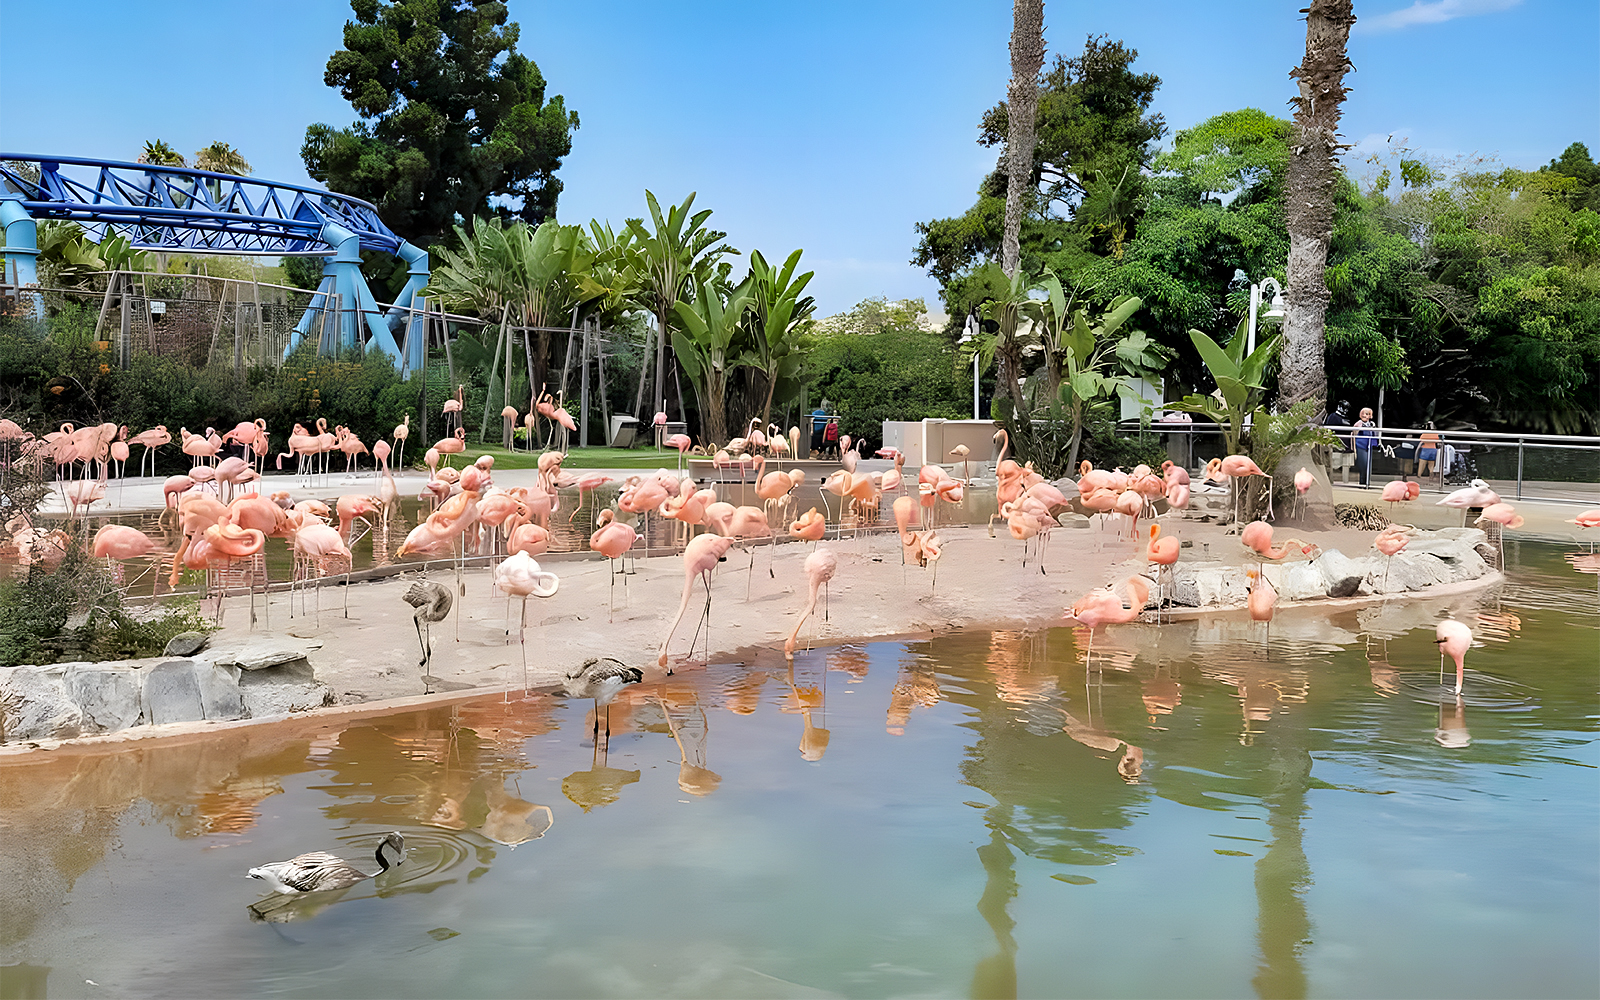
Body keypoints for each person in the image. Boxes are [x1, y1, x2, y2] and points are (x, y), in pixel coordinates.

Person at [1324, 402, 1355, 483]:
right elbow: (1328, 430)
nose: (1346, 410)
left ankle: (1345, 481)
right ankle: (1329, 480)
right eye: (1345, 408)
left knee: (1346, 464)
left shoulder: (1346, 418)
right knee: (1331, 464)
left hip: (1346, 446)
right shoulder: (1333, 416)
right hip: (1335, 445)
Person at [1352, 406, 1379, 486]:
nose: (1365, 415)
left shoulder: (1371, 424)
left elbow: (1375, 434)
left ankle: (1367, 483)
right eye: (1363, 413)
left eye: (1367, 414)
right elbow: (1353, 436)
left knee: (1368, 466)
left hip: (1369, 446)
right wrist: (1354, 449)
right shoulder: (1358, 424)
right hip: (1360, 446)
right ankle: (1362, 483)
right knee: (1363, 465)